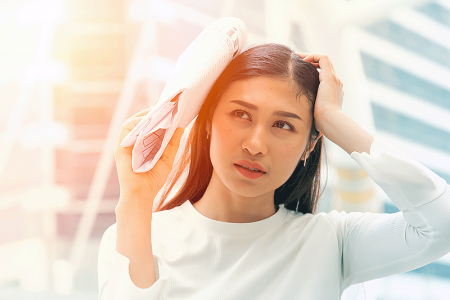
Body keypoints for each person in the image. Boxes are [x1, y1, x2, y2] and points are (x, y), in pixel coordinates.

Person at [98, 43, 450, 300]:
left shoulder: (330, 242)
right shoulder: (135, 236)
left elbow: (441, 222)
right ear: (206, 124)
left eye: (283, 125)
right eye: (241, 115)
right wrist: (136, 198)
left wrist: (332, 119)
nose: (256, 144)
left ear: (309, 145)